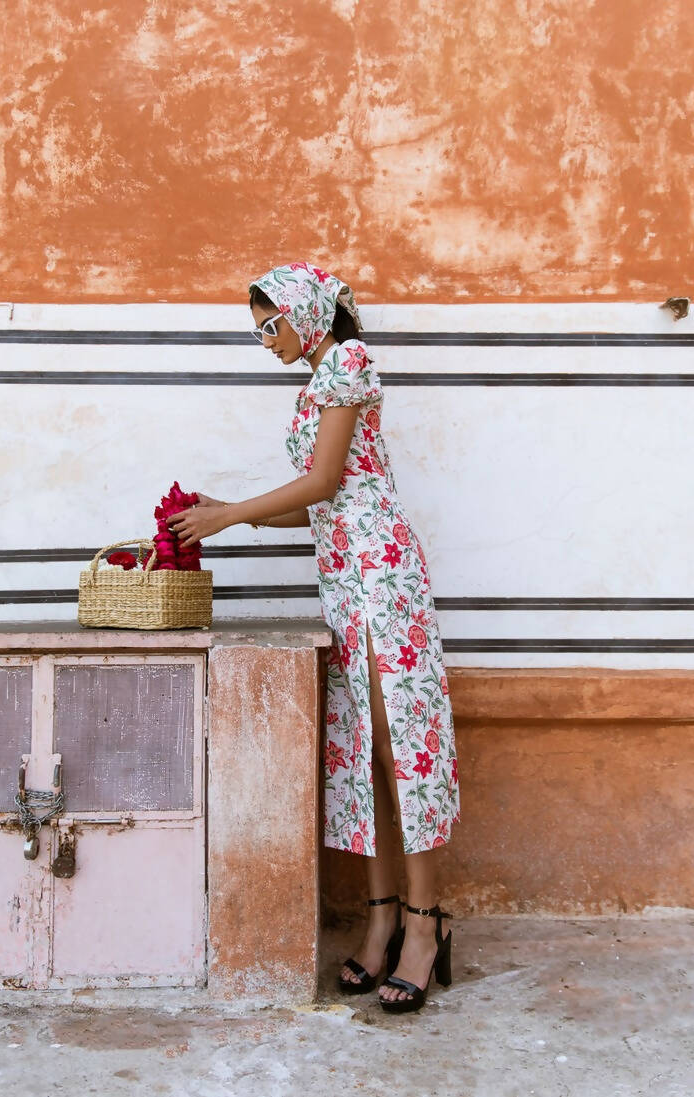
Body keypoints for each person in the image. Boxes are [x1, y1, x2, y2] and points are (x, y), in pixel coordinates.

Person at [167, 261, 461, 1013]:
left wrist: (231, 516)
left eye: (271, 324)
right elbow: (322, 502)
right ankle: (382, 914)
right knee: (363, 747)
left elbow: (326, 482)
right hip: (345, 574)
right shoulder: (320, 377)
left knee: (402, 748)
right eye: (258, 329)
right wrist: (236, 508)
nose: (265, 340)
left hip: (382, 575)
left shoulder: (349, 361)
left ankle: (425, 927)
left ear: (306, 313)